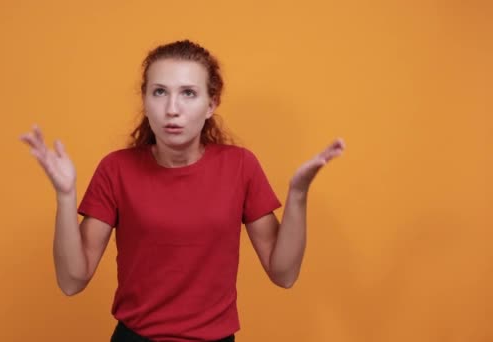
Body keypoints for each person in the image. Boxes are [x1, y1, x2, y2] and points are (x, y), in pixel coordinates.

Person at [20, 40, 345, 342]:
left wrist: (298, 194)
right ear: (145, 100)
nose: (172, 108)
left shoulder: (240, 166)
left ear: (211, 104)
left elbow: (283, 273)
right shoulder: (116, 169)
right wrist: (65, 196)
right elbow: (72, 281)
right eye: (160, 92)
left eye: (188, 93)